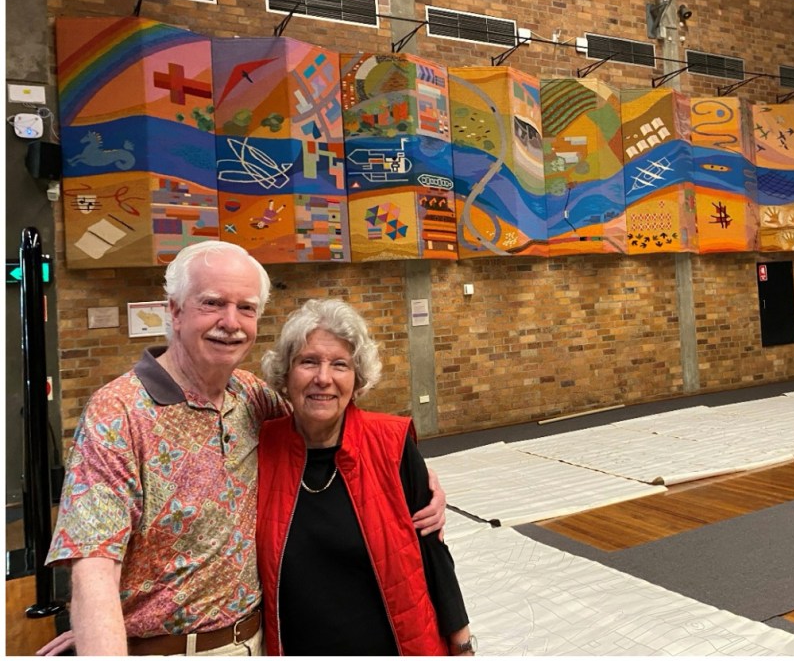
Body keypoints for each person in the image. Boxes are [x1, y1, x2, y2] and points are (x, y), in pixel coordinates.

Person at [43, 241, 447, 656]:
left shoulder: (253, 398)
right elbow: (94, 565)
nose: (231, 322)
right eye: (213, 303)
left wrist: (418, 478)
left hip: (260, 640)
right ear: (175, 311)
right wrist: (100, 633)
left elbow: (326, 427)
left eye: (247, 308)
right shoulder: (119, 411)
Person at [257, 298, 475, 655]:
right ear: (286, 374)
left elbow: (433, 550)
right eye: (308, 361)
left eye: (339, 364)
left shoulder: (391, 442)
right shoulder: (262, 446)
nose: (323, 378)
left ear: (357, 379)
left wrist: (462, 642)